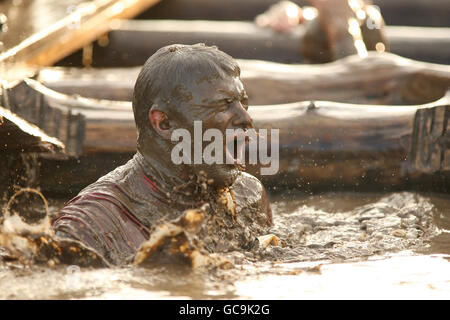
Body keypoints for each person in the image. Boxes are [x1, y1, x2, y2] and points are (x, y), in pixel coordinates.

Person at [53, 44, 273, 266]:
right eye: (223, 106)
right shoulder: (90, 227)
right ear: (164, 123)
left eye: (243, 102)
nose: (246, 119)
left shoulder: (248, 195)